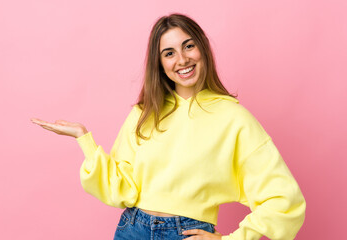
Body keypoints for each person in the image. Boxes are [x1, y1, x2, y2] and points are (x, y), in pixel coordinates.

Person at [31, 13, 306, 240]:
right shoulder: (145, 112)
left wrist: (230, 239)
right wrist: (84, 140)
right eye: (169, 53)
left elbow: (284, 200)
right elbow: (122, 189)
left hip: (188, 233)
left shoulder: (234, 118)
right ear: (160, 64)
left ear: (203, 48)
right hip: (132, 229)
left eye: (188, 46)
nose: (182, 60)